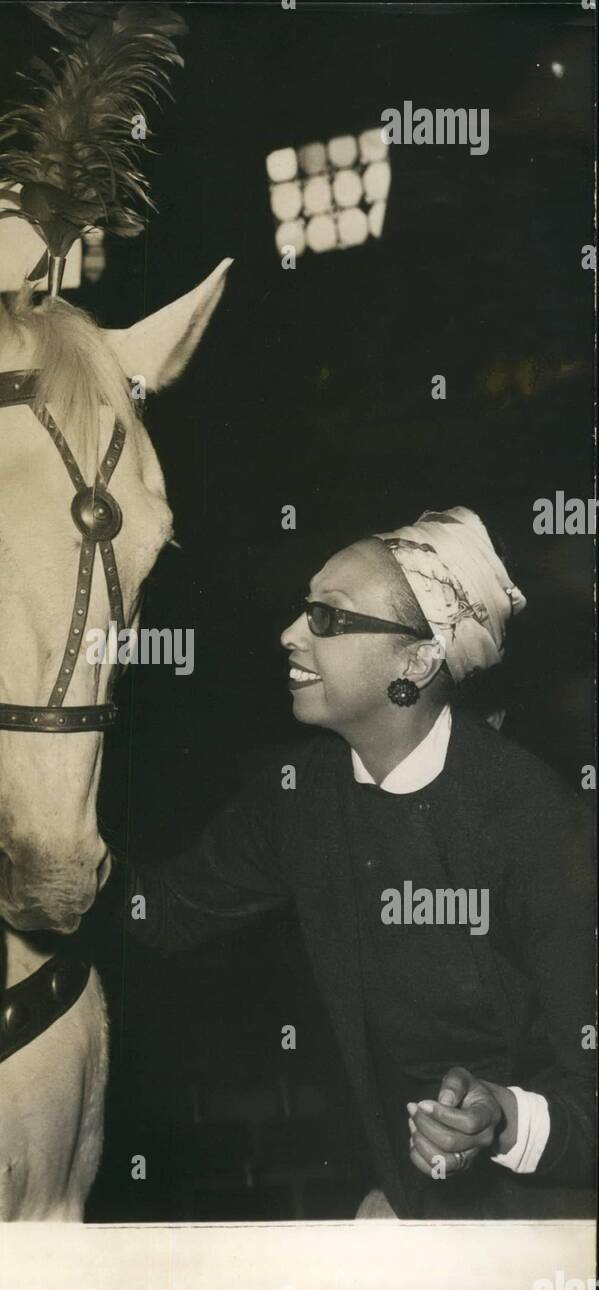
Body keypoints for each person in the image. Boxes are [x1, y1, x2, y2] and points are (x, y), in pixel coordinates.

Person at [130, 507, 595, 1219]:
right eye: (301, 610)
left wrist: (499, 1117)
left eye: (328, 617)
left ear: (416, 660)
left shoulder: (535, 823)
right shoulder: (299, 796)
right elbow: (161, 914)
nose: (289, 633)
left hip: (548, 1224)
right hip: (405, 1204)